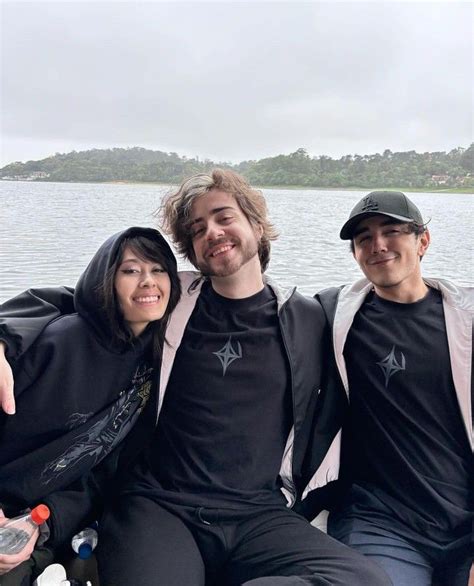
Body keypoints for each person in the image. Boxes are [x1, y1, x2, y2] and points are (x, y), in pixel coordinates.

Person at [0, 170, 391, 586]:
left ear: (257, 225)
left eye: (224, 217)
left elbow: (380, 314)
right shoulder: (172, 301)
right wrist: (4, 335)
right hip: (158, 506)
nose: (213, 232)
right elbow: (85, 299)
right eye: (197, 229)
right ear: (190, 250)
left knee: (364, 580)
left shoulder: (309, 317)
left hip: (257, 513)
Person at [0, 226, 181, 584]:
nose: (148, 281)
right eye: (130, 271)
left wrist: (43, 521)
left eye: (158, 269)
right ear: (106, 281)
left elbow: (103, 473)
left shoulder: (158, 363)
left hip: (39, 518)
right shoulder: (55, 342)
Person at [314, 191, 473, 586]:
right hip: (380, 522)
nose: (378, 245)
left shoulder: (467, 320)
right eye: (364, 238)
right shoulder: (331, 315)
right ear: (354, 254)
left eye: (391, 231)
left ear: (423, 241)